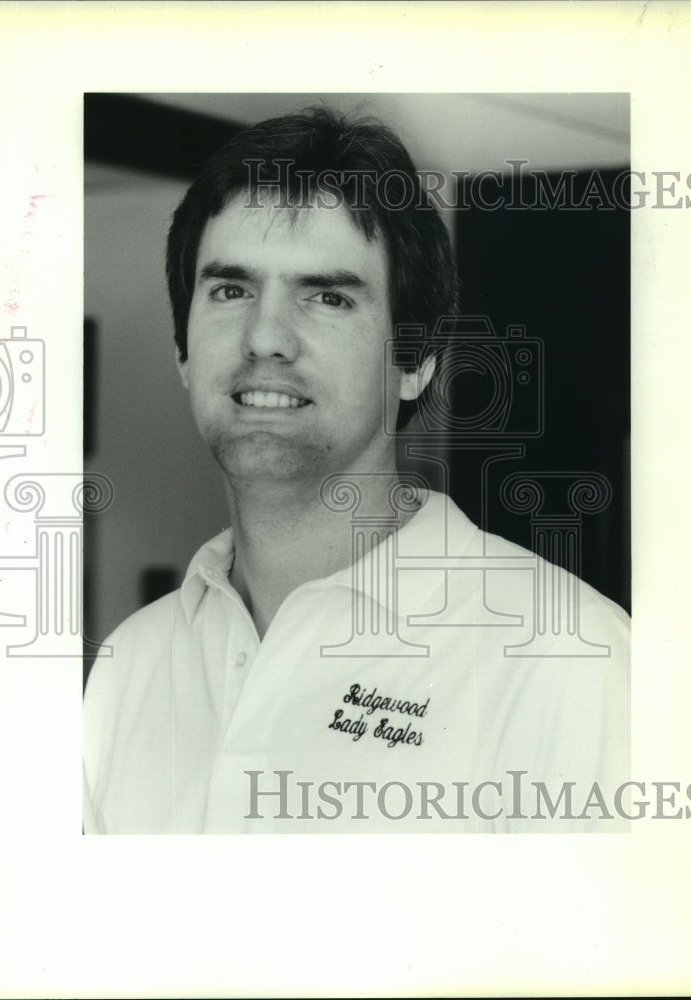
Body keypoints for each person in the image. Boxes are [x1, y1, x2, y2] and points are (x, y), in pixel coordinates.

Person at [83, 107, 629, 834]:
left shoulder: (564, 659)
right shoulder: (133, 660)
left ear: (416, 363)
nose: (265, 337)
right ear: (183, 351)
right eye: (230, 289)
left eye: (328, 297)